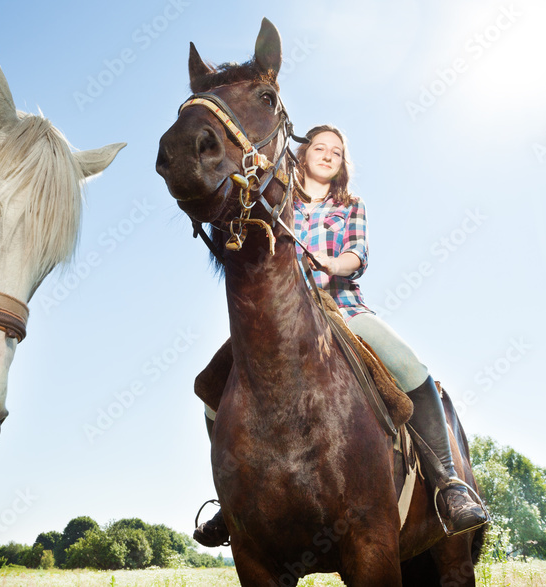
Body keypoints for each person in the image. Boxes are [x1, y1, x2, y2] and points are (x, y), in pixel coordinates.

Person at [193, 124, 488, 546]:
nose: (328, 154)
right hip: (279, 322)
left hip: (344, 309)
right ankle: (231, 498)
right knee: (213, 394)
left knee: (412, 369)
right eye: (320, 147)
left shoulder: (351, 204)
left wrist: (335, 263)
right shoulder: (278, 201)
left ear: (341, 163)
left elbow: (357, 254)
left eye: (336, 151)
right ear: (302, 154)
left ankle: (448, 483)